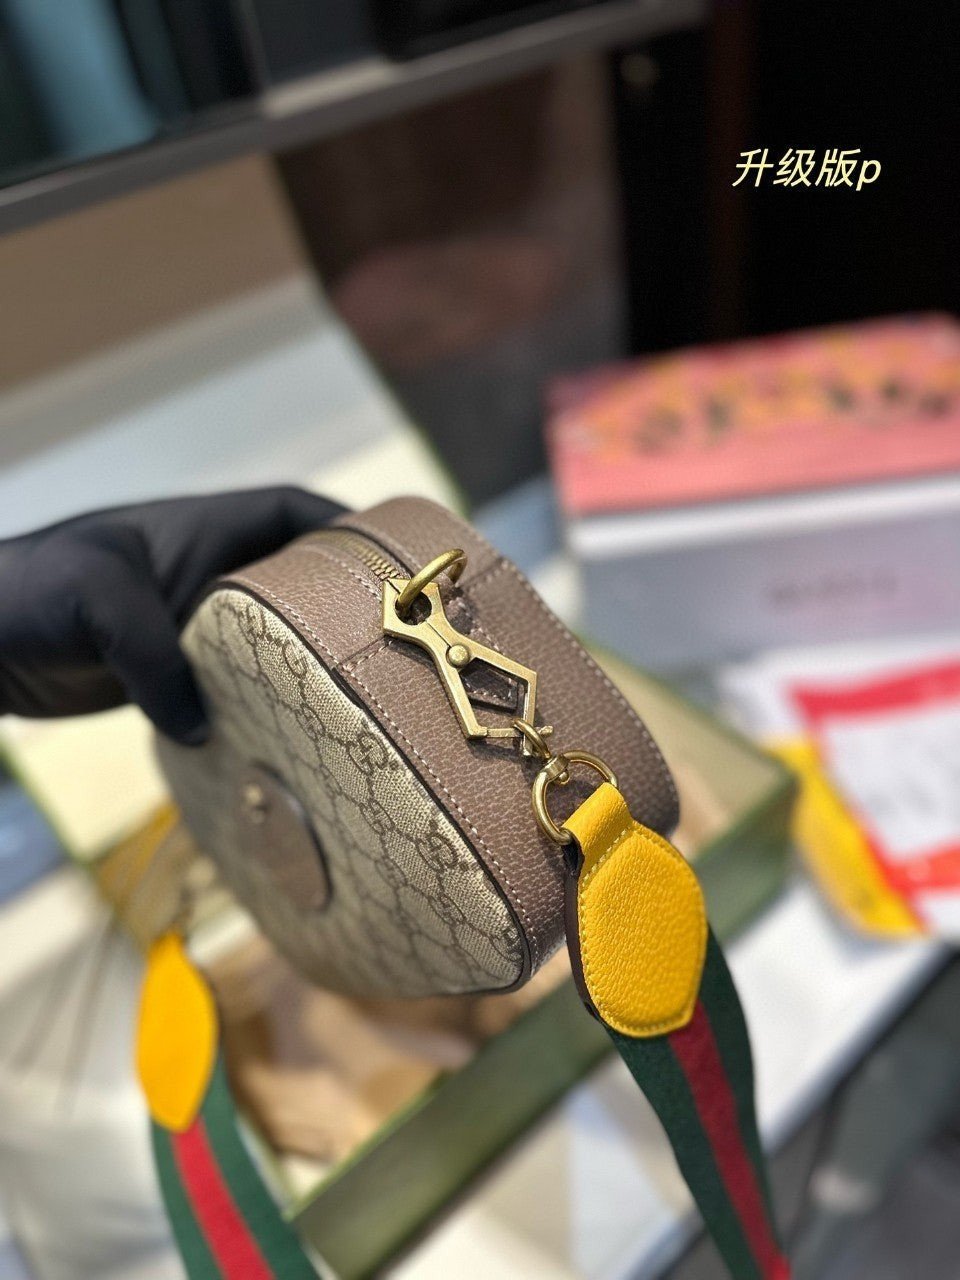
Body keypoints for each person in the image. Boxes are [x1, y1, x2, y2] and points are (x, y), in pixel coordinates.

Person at [0, 487, 345, 740]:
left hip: (301, 547)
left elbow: (88, 577)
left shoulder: (17, 604)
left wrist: (190, 727)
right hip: (272, 620)